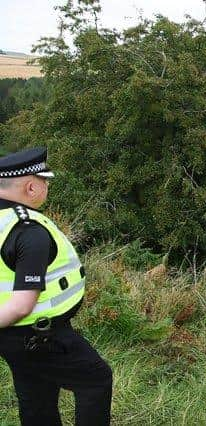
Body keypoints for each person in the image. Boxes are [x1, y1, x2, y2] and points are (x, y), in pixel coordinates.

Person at [0, 147, 112, 426]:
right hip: (39, 335)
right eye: (43, 180)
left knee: (36, 394)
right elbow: (22, 304)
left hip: (12, 339)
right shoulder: (27, 231)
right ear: (30, 186)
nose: (46, 186)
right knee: (96, 379)